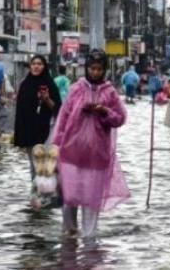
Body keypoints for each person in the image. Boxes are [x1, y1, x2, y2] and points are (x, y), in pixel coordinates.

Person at [52, 49, 129, 238]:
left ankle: (89, 241)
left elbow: (120, 118)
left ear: (104, 71)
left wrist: (104, 112)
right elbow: (63, 118)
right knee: (69, 198)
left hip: (97, 155)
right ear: (86, 68)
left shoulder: (110, 93)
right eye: (92, 68)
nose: (95, 72)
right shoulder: (76, 89)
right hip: (71, 152)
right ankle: (69, 236)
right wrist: (56, 145)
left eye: (99, 69)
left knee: (91, 200)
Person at [14, 55, 62, 181]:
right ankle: (36, 192)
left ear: (44, 66)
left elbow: (59, 109)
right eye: (33, 63)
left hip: (46, 130)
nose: (36, 66)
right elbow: (20, 112)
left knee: (47, 165)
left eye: (39, 64)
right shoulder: (25, 84)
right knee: (34, 165)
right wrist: (19, 135)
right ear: (30, 66)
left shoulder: (50, 84)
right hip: (29, 131)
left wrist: (46, 99)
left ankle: (49, 192)